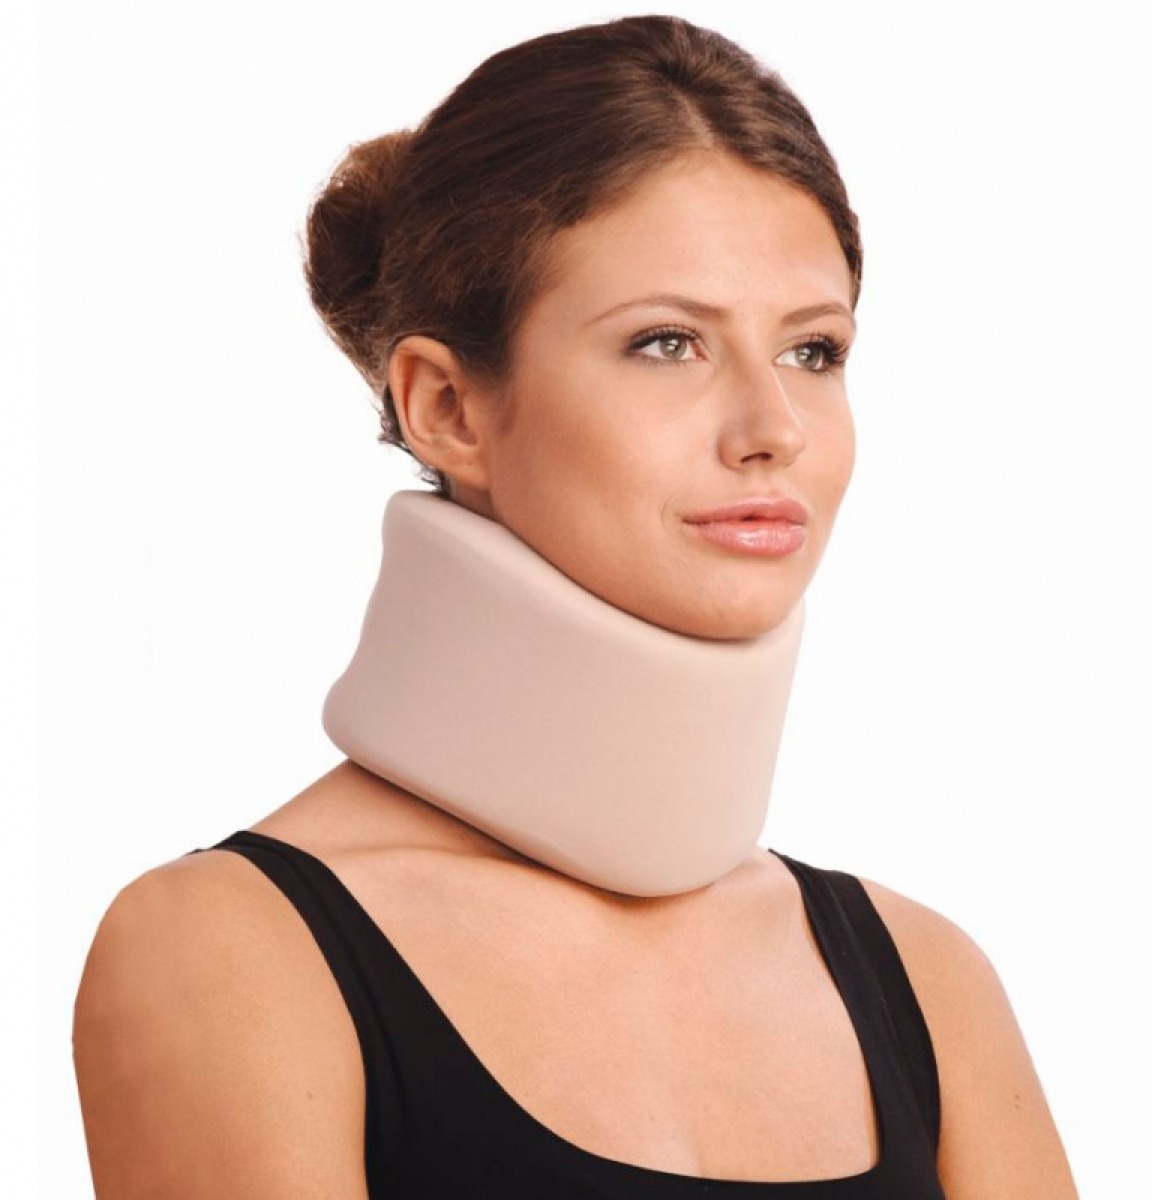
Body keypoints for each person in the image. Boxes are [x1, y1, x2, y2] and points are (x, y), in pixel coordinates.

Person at [71, 15, 1078, 1198]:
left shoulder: (928, 982)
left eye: (813, 351)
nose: (774, 430)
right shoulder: (230, 951)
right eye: (668, 343)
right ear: (446, 408)